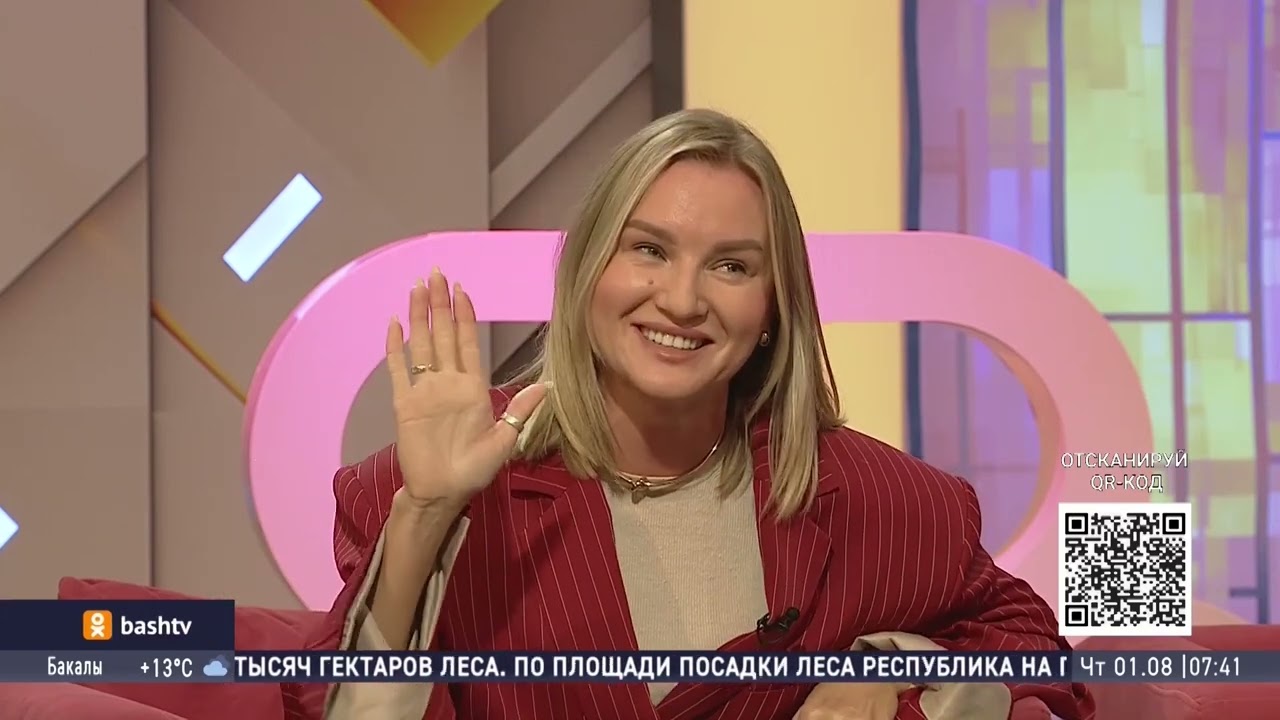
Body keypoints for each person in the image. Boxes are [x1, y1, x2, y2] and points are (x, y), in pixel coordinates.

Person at [287, 109, 1094, 720]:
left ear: (773, 307)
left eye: (731, 266)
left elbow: (1039, 658)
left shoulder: (884, 501)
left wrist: (892, 669)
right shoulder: (425, 491)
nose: (681, 299)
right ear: (587, 269)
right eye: (649, 249)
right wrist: (426, 516)